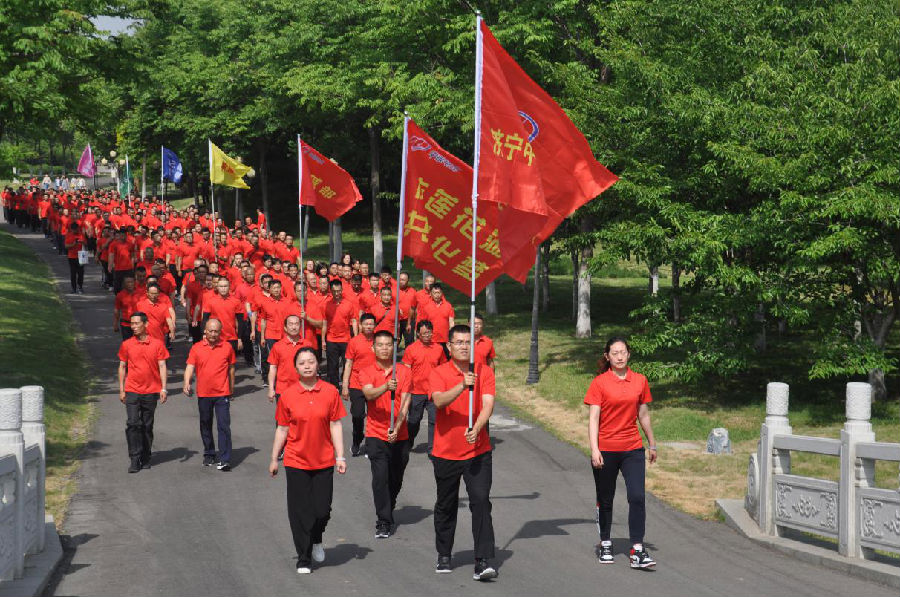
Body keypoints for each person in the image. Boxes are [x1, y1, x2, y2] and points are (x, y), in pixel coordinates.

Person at [428, 324, 497, 580]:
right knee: (446, 504)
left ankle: (482, 559)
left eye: (468, 342)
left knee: (481, 501)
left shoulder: (484, 371)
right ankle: (444, 554)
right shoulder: (439, 372)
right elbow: (438, 401)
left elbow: (488, 404)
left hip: (478, 451)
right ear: (449, 346)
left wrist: (477, 428)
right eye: (458, 342)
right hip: (446, 452)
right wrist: (461, 385)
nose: (464, 346)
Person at [269, 348, 347, 574]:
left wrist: (340, 456)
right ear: (295, 368)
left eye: (311, 362)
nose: (307, 366)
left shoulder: (330, 392)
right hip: (296, 460)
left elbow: (336, 424)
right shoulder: (288, 395)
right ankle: (303, 558)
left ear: (317, 364)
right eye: (302, 362)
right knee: (300, 511)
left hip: (324, 460)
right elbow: (282, 429)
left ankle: (316, 538)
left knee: (322, 510)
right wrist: (274, 458)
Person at [585, 337, 657, 569]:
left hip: (632, 448)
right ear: (607, 357)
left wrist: (652, 443)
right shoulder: (599, 383)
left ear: (629, 354)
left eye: (623, 352)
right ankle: (605, 542)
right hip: (606, 449)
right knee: (605, 498)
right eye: (614, 353)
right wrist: (594, 449)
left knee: (637, 497)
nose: (619, 357)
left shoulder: (640, 381)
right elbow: (593, 418)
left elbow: (643, 414)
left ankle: (637, 549)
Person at [360, 331, 412, 538]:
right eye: (380, 345)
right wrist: (385, 387)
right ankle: (383, 521)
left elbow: (406, 402)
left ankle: (389, 505)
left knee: (395, 478)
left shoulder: (404, 371)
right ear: (373, 348)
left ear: (394, 347)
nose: (384, 348)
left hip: (400, 434)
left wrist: (396, 428)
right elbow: (368, 393)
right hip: (375, 433)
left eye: (388, 345)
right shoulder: (366, 371)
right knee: (380, 478)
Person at [117, 312, 169, 473]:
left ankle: (146, 455)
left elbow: (162, 366)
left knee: (147, 425)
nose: (133, 326)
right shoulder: (127, 344)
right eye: (131, 323)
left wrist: (163, 388)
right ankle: (134, 458)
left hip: (151, 390)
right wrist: (121, 389)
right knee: (133, 423)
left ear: (145, 324)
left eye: (136, 323)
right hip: (132, 389)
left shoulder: (157, 344)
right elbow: (122, 366)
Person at [183, 319, 236, 471]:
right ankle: (209, 453)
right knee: (205, 424)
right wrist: (186, 382)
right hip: (204, 393)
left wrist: (231, 388)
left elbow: (231, 369)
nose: (213, 334)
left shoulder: (227, 347)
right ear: (205, 331)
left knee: (223, 426)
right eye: (210, 331)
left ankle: (225, 459)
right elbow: (190, 367)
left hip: (222, 393)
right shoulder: (196, 348)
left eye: (216, 331)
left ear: (220, 332)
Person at [401, 320, 446, 453]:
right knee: (414, 420)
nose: (427, 335)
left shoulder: (438, 348)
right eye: (424, 333)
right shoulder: (411, 349)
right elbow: (405, 371)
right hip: (416, 392)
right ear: (418, 334)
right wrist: (405, 390)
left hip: (433, 392)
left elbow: (443, 368)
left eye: (429, 332)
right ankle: (408, 441)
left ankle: (432, 448)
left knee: (434, 420)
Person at [342, 313, 377, 457]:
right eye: (366, 324)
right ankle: (357, 438)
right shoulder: (354, 342)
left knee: (374, 417)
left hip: (375, 384)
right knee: (357, 415)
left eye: (371, 324)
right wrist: (345, 385)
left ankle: (370, 445)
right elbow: (348, 364)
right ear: (361, 325)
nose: (369, 326)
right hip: (357, 383)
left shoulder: (379, 341)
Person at [322, 278, 358, 389]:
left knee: (348, 363)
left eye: (338, 291)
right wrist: (323, 340)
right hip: (331, 339)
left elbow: (354, 321)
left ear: (342, 290)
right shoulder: (326, 304)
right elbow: (324, 323)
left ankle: (346, 385)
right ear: (330, 291)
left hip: (345, 339)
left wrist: (356, 337)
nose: (337, 293)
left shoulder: (349, 304)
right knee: (332, 366)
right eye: (334, 291)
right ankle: (335, 387)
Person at [64, 221, 85, 294]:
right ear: (71, 229)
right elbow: (66, 246)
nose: (75, 231)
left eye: (76, 229)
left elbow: (86, 244)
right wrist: (73, 244)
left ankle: (80, 287)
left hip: (81, 256)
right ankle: (73, 288)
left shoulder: (81, 235)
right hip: (72, 257)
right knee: (73, 273)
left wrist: (82, 242)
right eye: (74, 230)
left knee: (81, 273)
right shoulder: (68, 235)